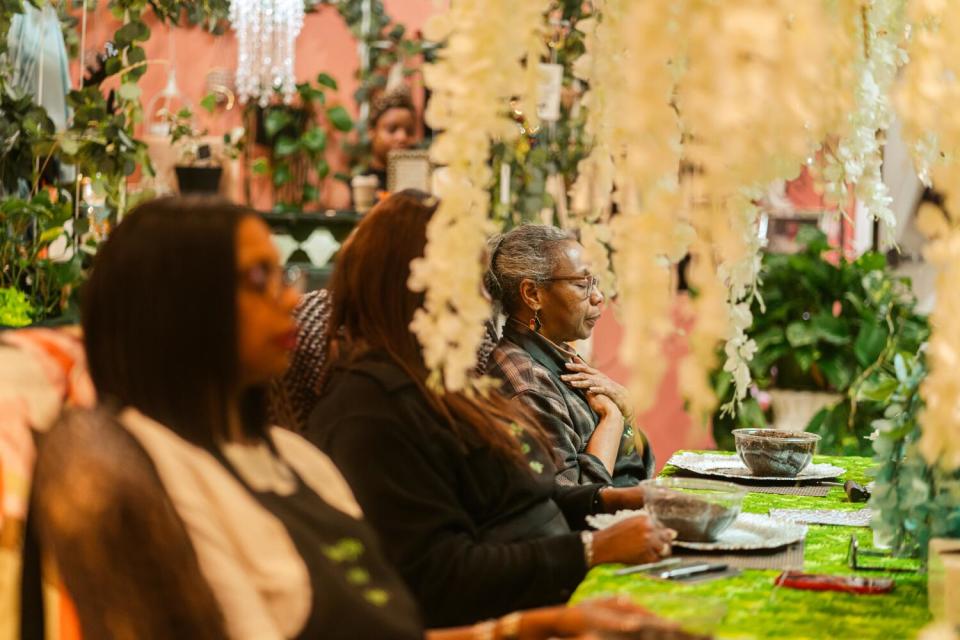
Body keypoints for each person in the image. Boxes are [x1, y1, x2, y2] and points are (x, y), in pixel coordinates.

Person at [34, 196, 674, 640]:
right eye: (258, 279)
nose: (290, 297)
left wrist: (541, 624)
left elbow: (387, 622)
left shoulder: (293, 456)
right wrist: (579, 561)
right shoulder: (157, 476)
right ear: (177, 307)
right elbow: (429, 579)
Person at [306, 190, 676, 628]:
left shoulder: (447, 382)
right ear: (412, 288)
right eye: (469, 282)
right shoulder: (370, 412)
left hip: (560, 587)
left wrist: (619, 498)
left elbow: (526, 496)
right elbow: (437, 574)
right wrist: (592, 550)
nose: (485, 302)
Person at [484, 225, 654, 487]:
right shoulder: (527, 384)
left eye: (595, 282)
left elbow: (633, 466)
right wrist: (611, 419)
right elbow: (576, 502)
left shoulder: (562, 359)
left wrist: (627, 413)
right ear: (532, 294)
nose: (598, 298)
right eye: (581, 284)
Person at [366, 87, 417, 192]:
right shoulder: (356, 188)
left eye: (409, 131)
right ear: (371, 132)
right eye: (392, 129)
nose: (402, 137)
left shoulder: (425, 186)